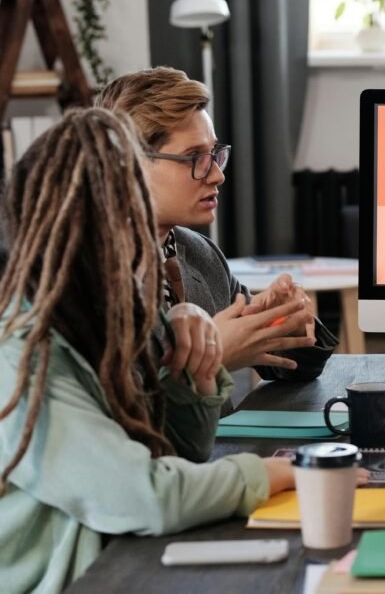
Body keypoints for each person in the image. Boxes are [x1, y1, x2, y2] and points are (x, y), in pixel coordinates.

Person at [0, 109, 295, 593]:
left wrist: (192, 365)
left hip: (126, 559)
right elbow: (145, 495)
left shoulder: (113, 309)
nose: (146, 242)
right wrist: (269, 473)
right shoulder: (22, 354)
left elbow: (186, 452)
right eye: (131, 222)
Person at [95, 67, 337, 384]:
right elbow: (109, 420)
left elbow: (289, 368)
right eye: (195, 157)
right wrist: (212, 358)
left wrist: (284, 322)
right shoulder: (86, 277)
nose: (217, 175)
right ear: (128, 162)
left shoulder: (198, 253)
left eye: (214, 154)